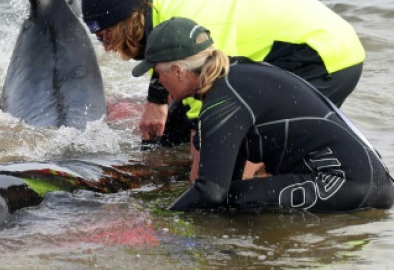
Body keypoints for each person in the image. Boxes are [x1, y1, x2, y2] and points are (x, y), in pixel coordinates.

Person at [80, 0, 366, 146]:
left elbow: (208, 115)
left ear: (127, 21)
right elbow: (169, 62)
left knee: (246, 142)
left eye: (106, 37)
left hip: (325, 57)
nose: (106, 48)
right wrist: (156, 103)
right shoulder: (166, 5)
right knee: (172, 132)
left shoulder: (198, 24)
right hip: (309, 44)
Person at [133, 17, 392, 212]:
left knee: (228, 202)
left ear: (178, 70)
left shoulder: (223, 100)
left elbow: (211, 193)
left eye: (158, 72)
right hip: (370, 179)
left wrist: (157, 222)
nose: (158, 81)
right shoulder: (236, 75)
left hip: (345, 183)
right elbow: (222, 179)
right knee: (227, 199)